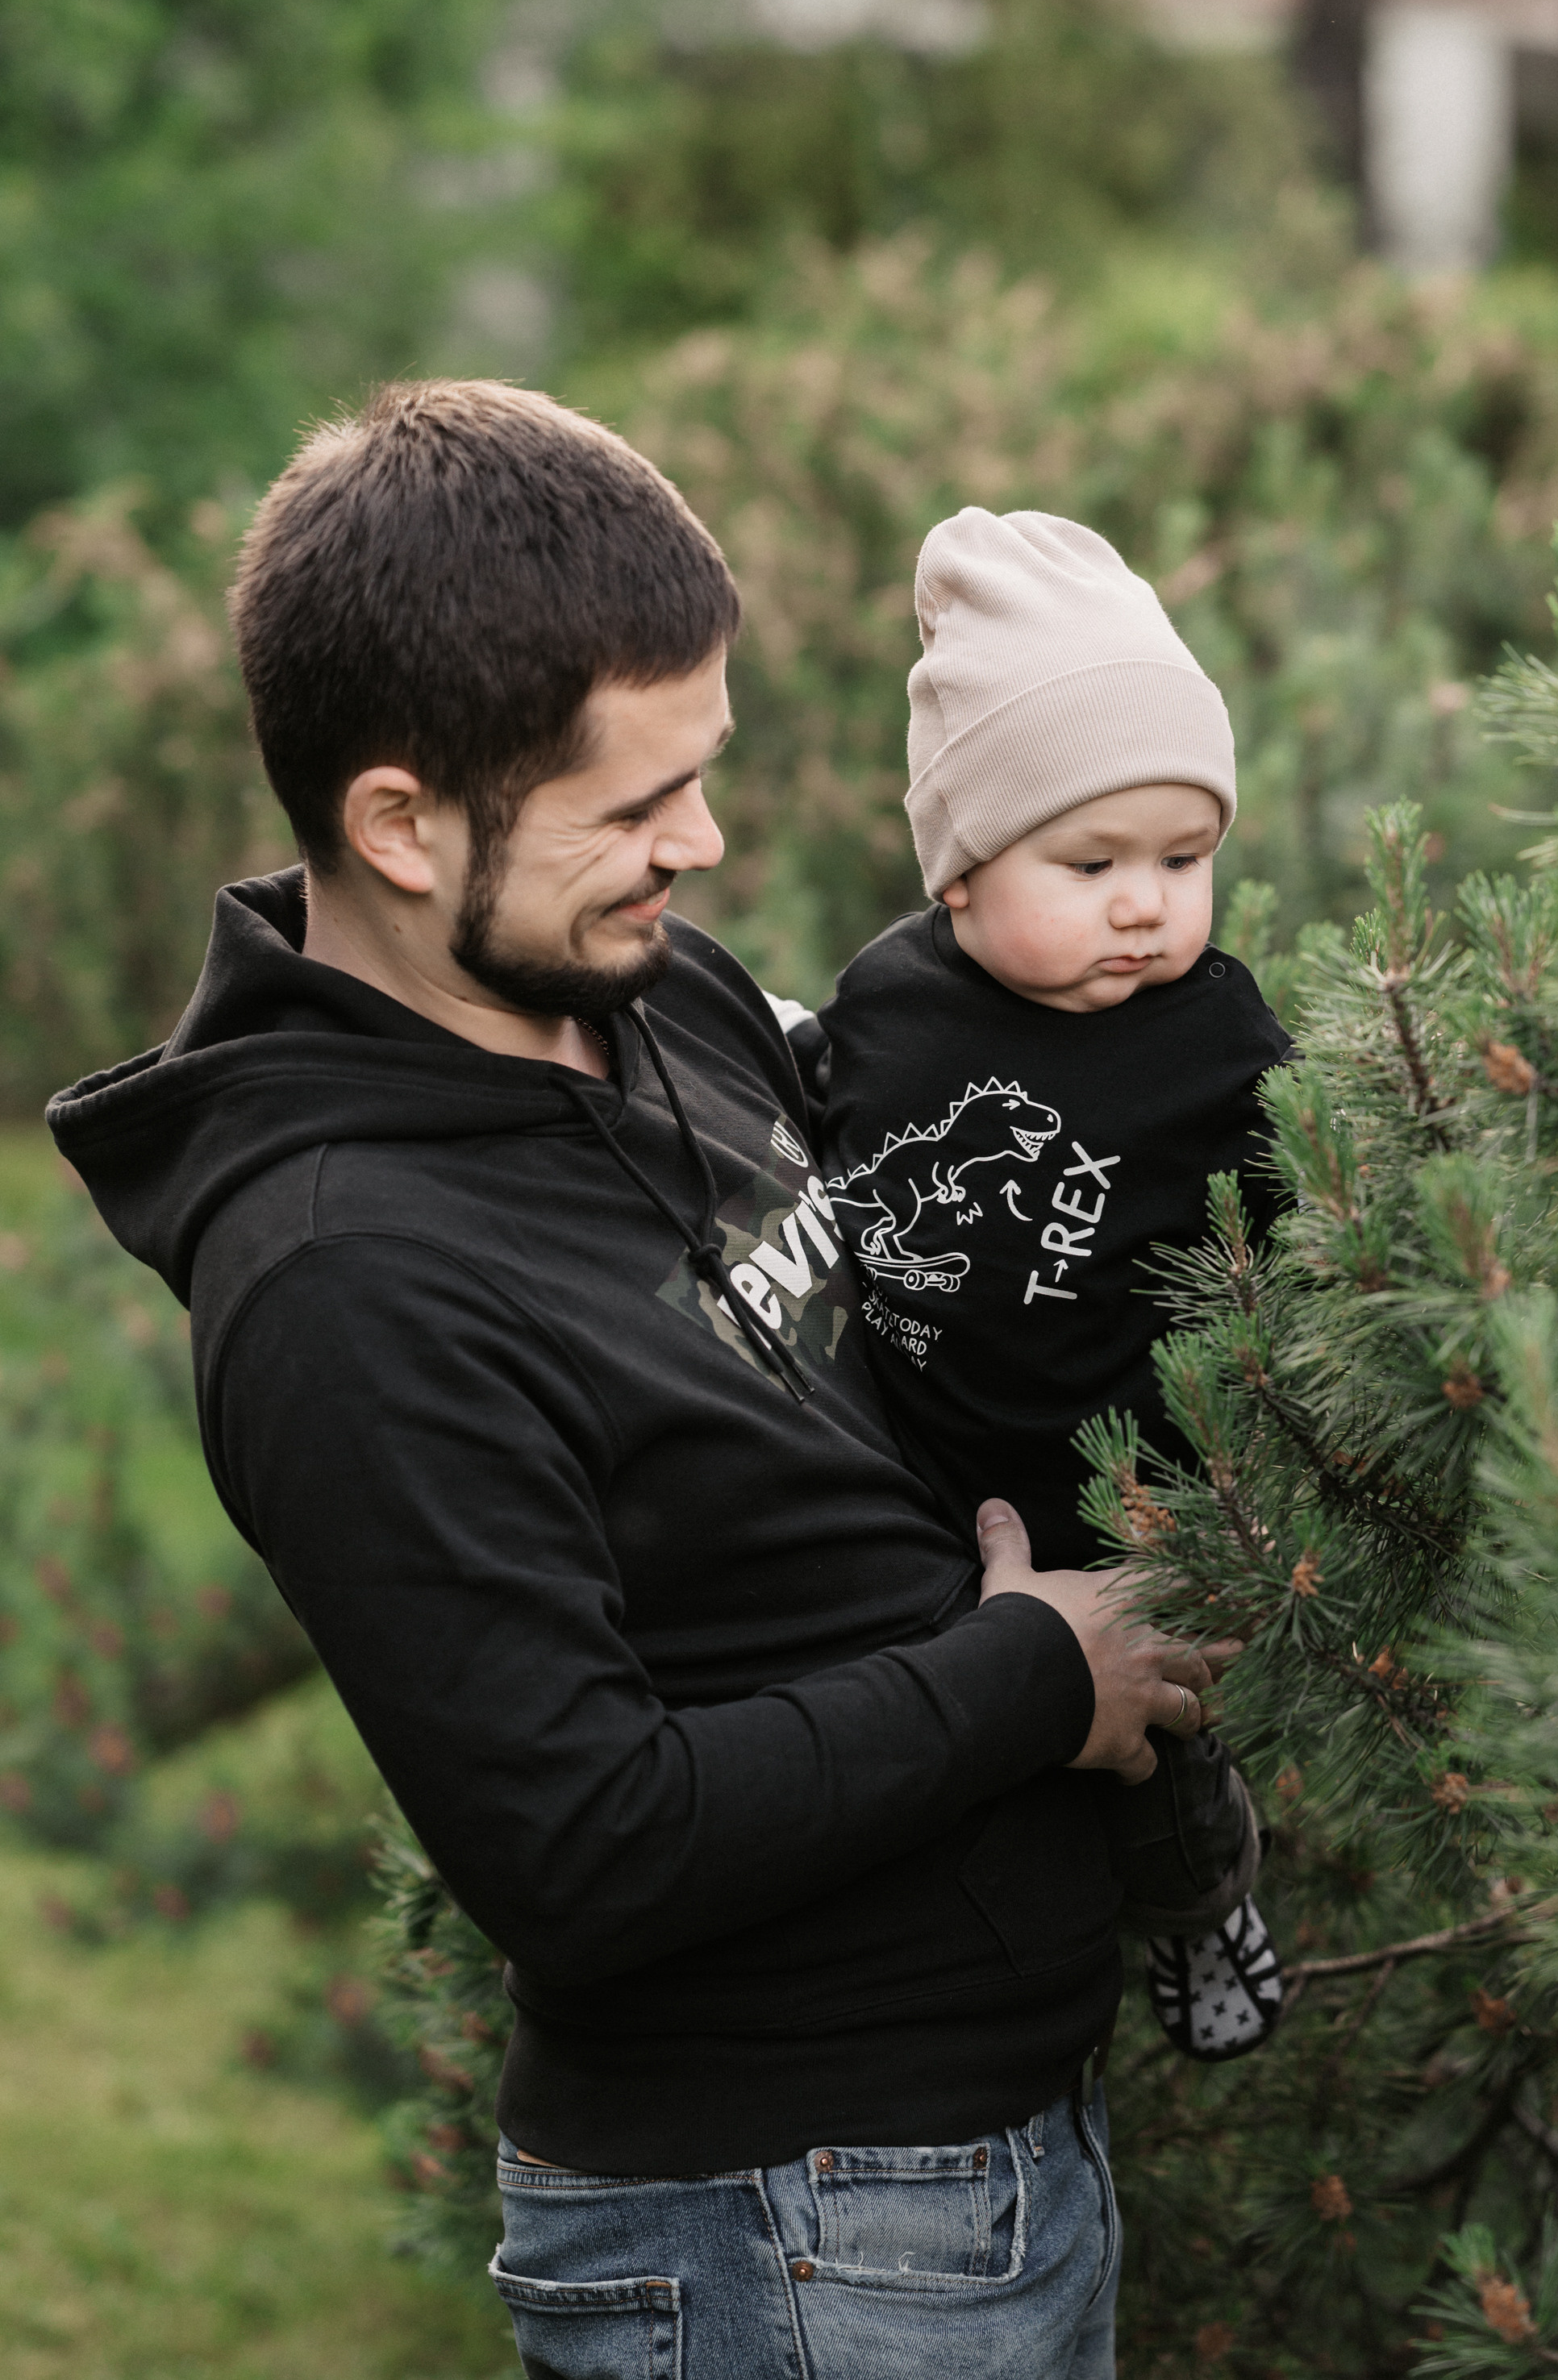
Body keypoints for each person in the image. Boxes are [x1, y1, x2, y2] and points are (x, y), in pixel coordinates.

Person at [47, 383, 1227, 2380]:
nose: (704, 841)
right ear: (400, 823)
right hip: (779, 2229)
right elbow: (580, 1848)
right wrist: (1043, 1674)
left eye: (704, 769)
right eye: (630, 804)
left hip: (973, 2162)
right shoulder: (347, 1281)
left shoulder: (638, 984)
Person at [804, 509, 1293, 2062]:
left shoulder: (1212, 1036)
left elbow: (1311, 1202)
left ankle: (1203, 1900)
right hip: (915, 1482)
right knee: (958, 1772)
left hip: (1120, 1480)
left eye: (1182, 857)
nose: (1143, 903)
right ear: (958, 875)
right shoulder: (886, 1006)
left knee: (1155, 1757)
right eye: (1087, 863)